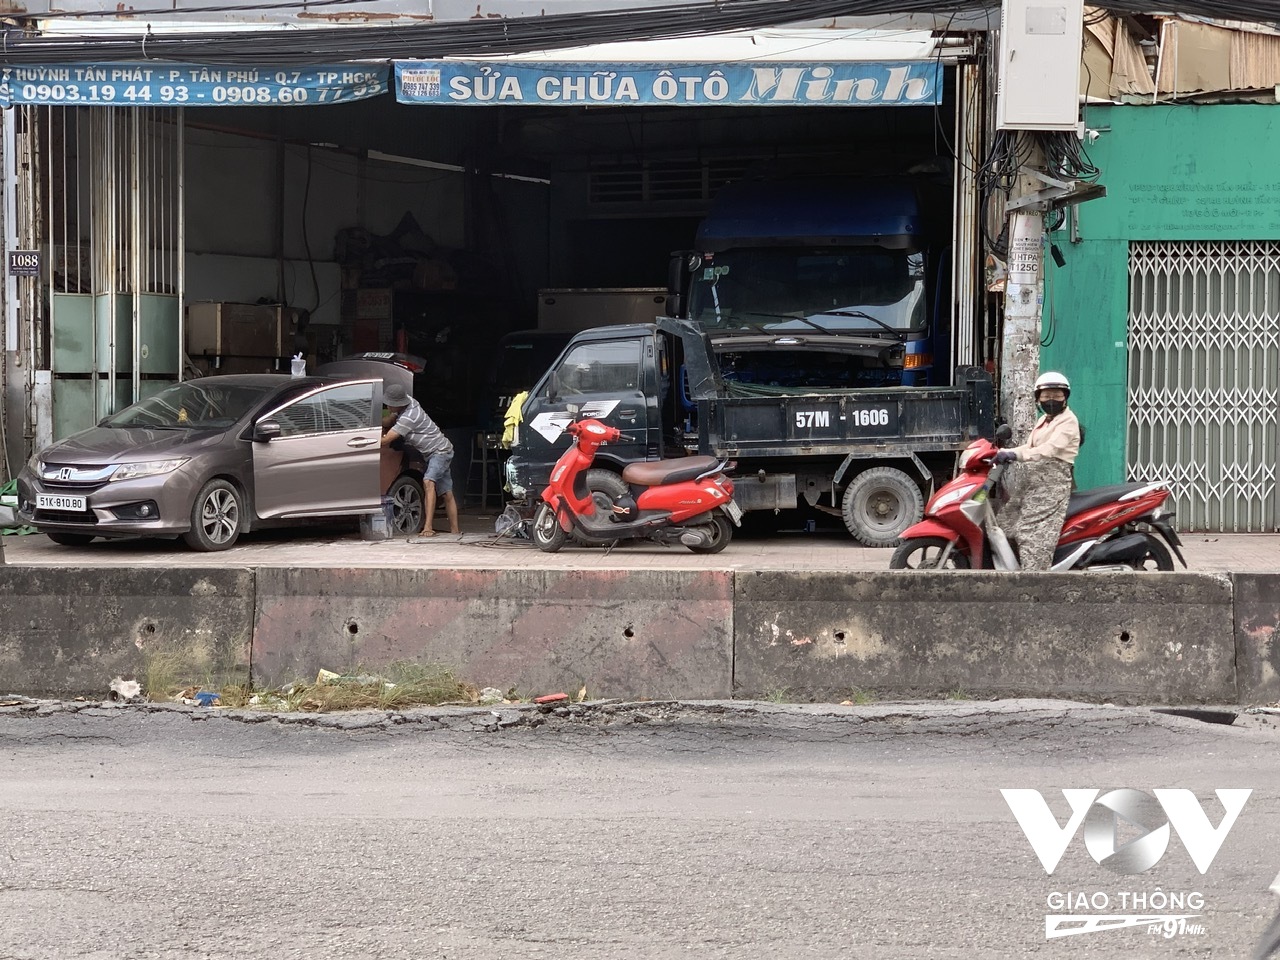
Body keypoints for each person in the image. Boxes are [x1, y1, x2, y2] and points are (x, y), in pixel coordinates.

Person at [992, 371, 1081, 571]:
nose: (1051, 400)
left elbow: (1048, 450)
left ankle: (1035, 577)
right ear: (1038, 398)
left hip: (1052, 482)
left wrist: (1016, 456)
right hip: (1033, 479)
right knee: (1006, 520)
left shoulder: (1068, 421)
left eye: (1057, 395)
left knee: (1031, 530)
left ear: (1065, 397)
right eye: (1046, 395)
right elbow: (1029, 448)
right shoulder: (1044, 420)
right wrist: (1005, 452)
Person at [380, 383, 460, 537]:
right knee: (446, 493)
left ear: (399, 404)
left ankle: (428, 527)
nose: (388, 407)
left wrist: (365, 439)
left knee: (428, 482)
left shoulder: (410, 416)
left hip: (440, 452)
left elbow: (386, 440)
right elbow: (389, 420)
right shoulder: (408, 402)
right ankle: (455, 532)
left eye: (390, 405)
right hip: (437, 451)